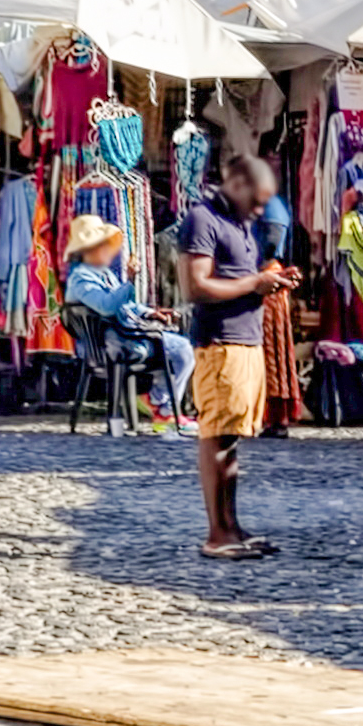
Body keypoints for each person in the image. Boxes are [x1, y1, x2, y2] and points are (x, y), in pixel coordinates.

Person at [173, 150, 293, 560]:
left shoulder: (238, 222)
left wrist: (269, 281)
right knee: (217, 436)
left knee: (231, 438)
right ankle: (216, 534)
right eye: (257, 200)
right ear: (237, 185)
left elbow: (239, 278)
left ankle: (231, 526)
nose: (260, 210)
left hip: (245, 340)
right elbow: (196, 286)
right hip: (219, 341)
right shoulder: (202, 219)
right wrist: (254, 285)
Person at [61, 214, 191, 431]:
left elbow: (125, 304)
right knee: (182, 351)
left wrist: (151, 313)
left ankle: (158, 401)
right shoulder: (82, 279)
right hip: (112, 345)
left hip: (123, 336)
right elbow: (107, 306)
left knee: (179, 348)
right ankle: (164, 409)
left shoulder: (102, 274)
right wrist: (130, 280)